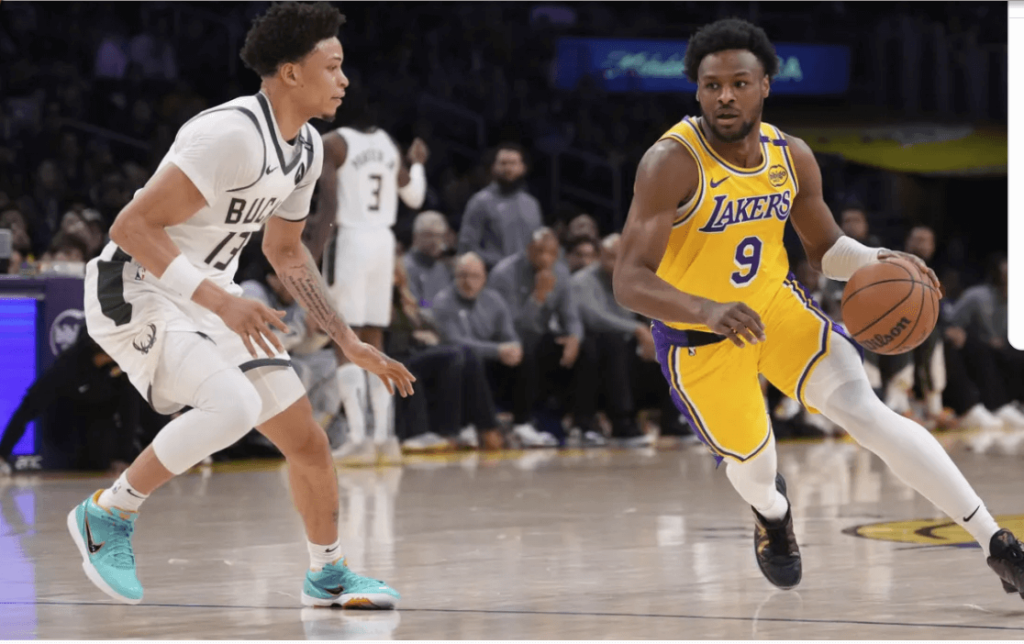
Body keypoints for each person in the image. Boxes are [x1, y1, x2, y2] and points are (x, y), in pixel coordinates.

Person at [612, 18, 1024, 597]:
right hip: (699, 340)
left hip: (778, 313)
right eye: (711, 85)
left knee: (868, 413)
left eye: (738, 82)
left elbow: (827, 250)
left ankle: (998, 546)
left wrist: (882, 259)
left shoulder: (793, 155)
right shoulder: (671, 162)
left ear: (765, 86)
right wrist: (706, 310)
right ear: (698, 90)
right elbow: (628, 281)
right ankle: (774, 515)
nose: (724, 95)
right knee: (755, 474)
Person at [71, 2, 415, 609]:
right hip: (136, 289)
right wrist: (219, 302)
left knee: (307, 440)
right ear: (290, 73)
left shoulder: (306, 148)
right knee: (232, 405)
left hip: (209, 298)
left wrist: (348, 339)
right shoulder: (226, 133)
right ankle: (110, 513)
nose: (344, 80)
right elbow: (130, 227)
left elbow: (286, 252)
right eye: (332, 67)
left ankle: (327, 574)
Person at [308, 83, 429, 466]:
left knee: (344, 338)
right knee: (375, 337)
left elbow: (327, 208)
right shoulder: (390, 145)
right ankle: (385, 438)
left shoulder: (334, 143)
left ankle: (358, 438)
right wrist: (419, 163)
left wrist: (308, 260)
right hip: (383, 242)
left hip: (352, 240)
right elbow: (415, 198)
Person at [457, 143, 543, 271]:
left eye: (513, 163)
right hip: (491, 278)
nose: (508, 168)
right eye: (503, 163)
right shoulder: (480, 202)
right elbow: (467, 248)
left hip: (525, 278)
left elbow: (538, 245)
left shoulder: (532, 204)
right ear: (493, 168)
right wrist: (502, 264)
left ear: (523, 168)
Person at [402, 210, 454, 310]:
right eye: (429, 235)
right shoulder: (405, 267)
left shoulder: (444, 268)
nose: (435, 241)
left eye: (439, 236)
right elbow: (415, 306)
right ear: (416, 237)